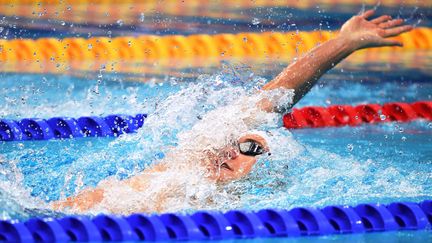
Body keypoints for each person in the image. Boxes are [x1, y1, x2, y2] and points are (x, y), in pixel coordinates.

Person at [52, 10, 412, 213]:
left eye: (250, 148)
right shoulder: (185, 166)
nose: (230, 153)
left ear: (268, 170)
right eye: (233, 142)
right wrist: (344, 42)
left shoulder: (266, 201)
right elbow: (283, 89)